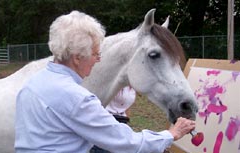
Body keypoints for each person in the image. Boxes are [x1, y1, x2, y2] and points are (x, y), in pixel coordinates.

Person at [15, 10, 196, 153]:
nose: (97, 60)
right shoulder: (77, 98)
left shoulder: (31, 84)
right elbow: (126, 143)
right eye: (95, 54)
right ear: (77, 58)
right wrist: (171, 134)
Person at [90, 86, 136, 153]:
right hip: (108, 119)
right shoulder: (116, 82)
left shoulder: (133, 87)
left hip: (122, 122)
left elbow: (127, 107)